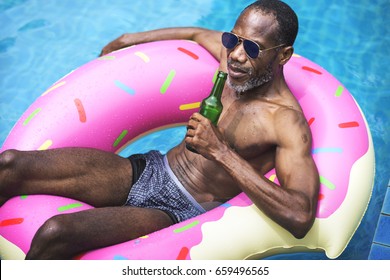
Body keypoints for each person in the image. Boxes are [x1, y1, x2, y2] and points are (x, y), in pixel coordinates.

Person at [0, 0, 319, 259]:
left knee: (56, 232)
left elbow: (300, 216)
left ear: (283, 55)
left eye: (251, 48)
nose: (235, 55)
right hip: (151, 169)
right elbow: (195, 33)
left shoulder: (285, 121)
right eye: (232, 40)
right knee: (9, 164)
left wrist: (220, 152)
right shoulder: (232, 64)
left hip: (179, 210)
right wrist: (129, 39)